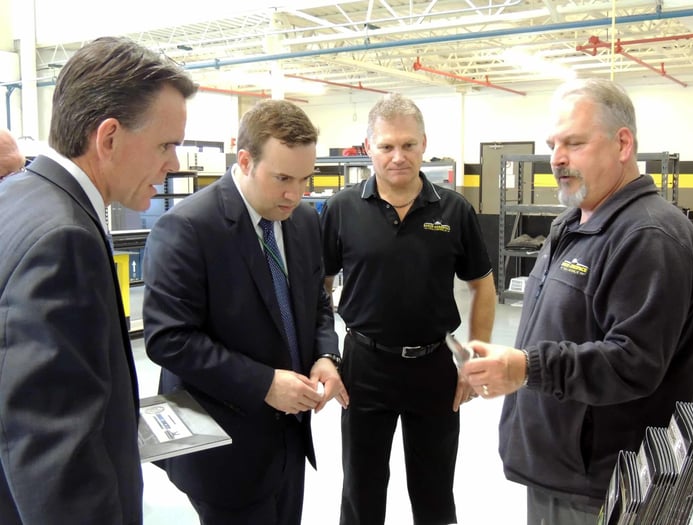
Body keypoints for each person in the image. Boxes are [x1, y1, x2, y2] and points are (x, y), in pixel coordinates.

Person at [462, 78, 693, 525]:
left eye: (574, 142)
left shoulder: (649, 236)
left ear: (622, 143)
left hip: (605, 485)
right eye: (553, 144)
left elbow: (635, 361)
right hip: (560, 470)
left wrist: (526, 368)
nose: (557, 158)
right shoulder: (573, 223)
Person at [0, 36, 196, 524]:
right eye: (165, 145)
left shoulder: (19, 196)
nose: (173, 165)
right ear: (108, 138)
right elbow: (57, 458)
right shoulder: (65, 239)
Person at [142, 99, 348, 525]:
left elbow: (317, 303)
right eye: (282, 178)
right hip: (225, 449)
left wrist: (326, 356)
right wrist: (264, 383)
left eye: (305, 179)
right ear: (245, 160)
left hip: (289, 440)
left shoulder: (305, 220)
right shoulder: (188, 228)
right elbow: (169, 339)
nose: (296, 193)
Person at [320, 92, 496, 525]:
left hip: (434, 367)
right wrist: (323, 354)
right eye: (386, 146)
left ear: (424, 144)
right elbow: (318, 289)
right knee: (361, 490)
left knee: (434, 490)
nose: (398, 156)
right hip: (364, 366)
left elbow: (483, 287)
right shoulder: (342, 209)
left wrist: (474, 360)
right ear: (368, 148)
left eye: (408, 145)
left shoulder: (454, 209)